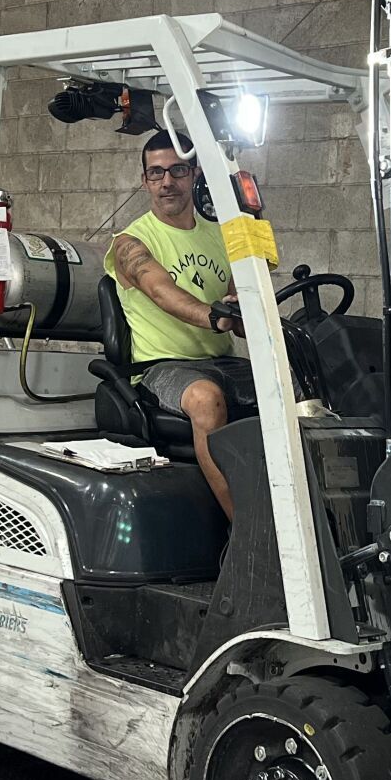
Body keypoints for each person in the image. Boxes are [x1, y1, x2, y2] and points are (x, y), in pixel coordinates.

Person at [105, 131, 253, 518]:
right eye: (156, 173)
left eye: (177, 171)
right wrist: (213, 316)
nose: (167, 181)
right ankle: (244, 530)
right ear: (145, 181)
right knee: (205, 399)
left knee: (300, 388)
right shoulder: (130, 242)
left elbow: (241, 317)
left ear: (194, 174)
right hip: (163, 367)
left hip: (223, 363)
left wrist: (247, 309)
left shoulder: (223, 236)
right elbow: (160, 291)